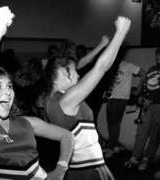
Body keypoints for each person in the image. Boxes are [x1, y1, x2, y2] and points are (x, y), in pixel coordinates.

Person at [0, 6, 74, 180]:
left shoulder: (27, 123)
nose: (8, 92)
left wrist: (61, 168)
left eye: (9, 85)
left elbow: (67, 135)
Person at [43, 16, 131, 180]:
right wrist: (121, 32)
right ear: (63, 73)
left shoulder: (51, 99)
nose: (78, 74)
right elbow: (101, 68)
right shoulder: (66, 100)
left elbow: (100, 66)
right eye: (74, 70)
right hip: (89, 170)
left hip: (82, 167)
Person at [125, 45, 160, 171]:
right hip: (147, 106)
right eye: (157, 53)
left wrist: (152, 100)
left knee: (154, 134)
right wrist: (140, 97)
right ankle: (134, 157)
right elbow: (145, 86)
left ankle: (146, 159)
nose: (157, 56)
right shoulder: (152, 69)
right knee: (141, 133)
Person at [104, 57, 146, 158]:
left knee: (113, 123)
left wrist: (138, 90)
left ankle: (111, 147)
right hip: (111, 98)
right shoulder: (111, 65)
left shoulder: (127, 65)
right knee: (112, 123)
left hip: (120, 99)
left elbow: (144, 73)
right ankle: (115, 145)